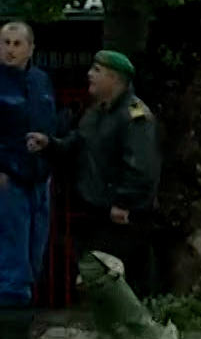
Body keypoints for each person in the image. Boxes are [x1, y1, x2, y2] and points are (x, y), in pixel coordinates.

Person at [25, 50, 160, 299]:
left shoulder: (134, 115)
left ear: (115, 79)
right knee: (102, 282)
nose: (90, 75)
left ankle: (140, 333)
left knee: (122, 283)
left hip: (124, 216)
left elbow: (140, 165)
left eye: (97, 71)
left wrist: (123, 202)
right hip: (99, 209)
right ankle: (115, 333)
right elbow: (77, 144)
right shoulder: (97, 112)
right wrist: (50, 145)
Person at [0, 21, 56, 339]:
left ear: (30, 48)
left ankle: (22, 328)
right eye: (5, 42)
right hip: (9, 177)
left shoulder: (41, 81)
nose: (10, 49)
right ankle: (12, 338)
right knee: (12, 258)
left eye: (17, 43)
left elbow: (51, 121)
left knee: (34, 255)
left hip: (39, 177)